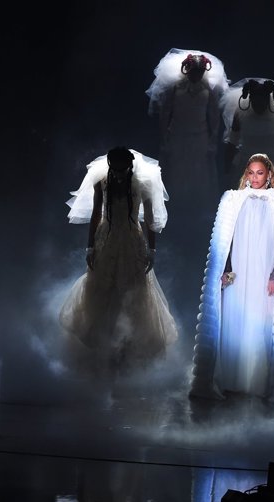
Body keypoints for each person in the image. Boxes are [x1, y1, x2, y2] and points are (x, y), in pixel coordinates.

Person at [189, 153, 274, 404]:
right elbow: (225, 241)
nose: (255, 178)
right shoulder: (233, 200)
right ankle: (231, 380)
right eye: (251, 172)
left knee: (259, 322)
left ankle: (256, 382)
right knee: (235, 321)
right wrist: (225, 269)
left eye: (260, 173)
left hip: (263, 271)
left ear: (270, 174)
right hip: (238, 272)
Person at [59, 147, 178, 378]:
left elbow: (150, 219)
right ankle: (103, 349)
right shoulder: (102, 183)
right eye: (115, 168)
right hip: (107, 239)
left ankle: (129, 352)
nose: (119, 172)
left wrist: (152, 249)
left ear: (130, 166)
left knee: (134, 292)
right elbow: (96, 213)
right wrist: (90, 246)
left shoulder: (142, 184)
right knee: (104, 290)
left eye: (123, 168)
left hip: (132, 240)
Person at [145, 48, 229, 220]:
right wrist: (164, 136)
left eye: (200, 71)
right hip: (178, 134)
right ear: (187, 69)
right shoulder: (175, 87)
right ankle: (176, 206)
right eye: (194, 71)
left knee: (198, 172)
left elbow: (214, 116)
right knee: (177, 171)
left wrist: (213, 139)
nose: (197, 75)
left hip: (200, 136)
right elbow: (165, 113)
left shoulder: (208, 89)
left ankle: (195, 206)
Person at [221, 78, 274, 190]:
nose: (259, 105)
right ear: (250, 99)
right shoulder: (240, 114)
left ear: (268, 100)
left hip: (271, 171)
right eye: (256, 101)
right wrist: (226, 172)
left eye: (262, 101)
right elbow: (232, 143)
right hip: (245, 170)